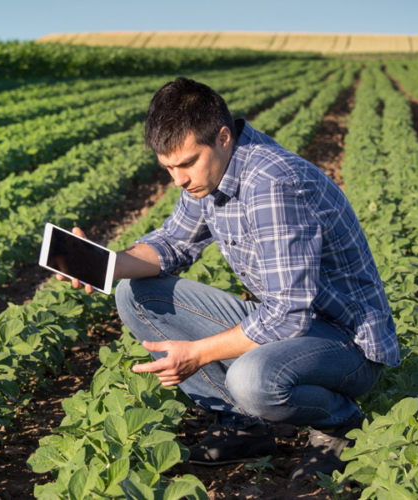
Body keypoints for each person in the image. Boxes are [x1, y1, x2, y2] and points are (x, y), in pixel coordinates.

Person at [56, 76, 399, 482]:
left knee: (251, 379)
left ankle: (339, 426)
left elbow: (288, 317)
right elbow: (171, 244)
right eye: (168, 168)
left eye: (186, 164)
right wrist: (103, 263)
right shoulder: (211, 173)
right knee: (135, 293)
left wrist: (197, 353)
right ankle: (244, 425)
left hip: (347, 343)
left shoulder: (273, 184)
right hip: (293, 326)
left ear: (222, 137)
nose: (178, 180)